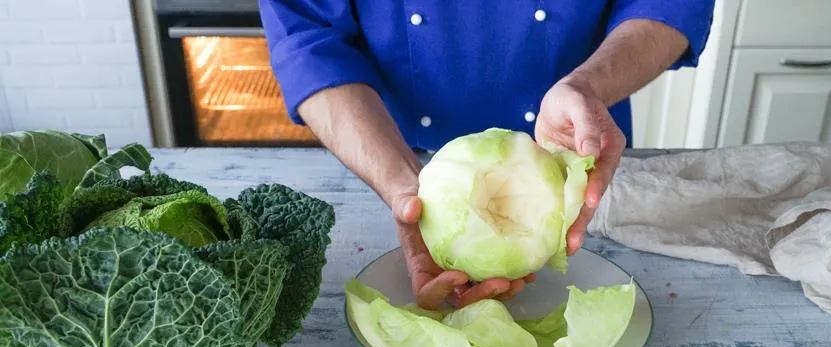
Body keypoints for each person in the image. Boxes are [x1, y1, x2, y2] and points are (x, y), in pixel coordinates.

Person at [259, 0, 715, 310]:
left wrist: (588, 87)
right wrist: (402, 186)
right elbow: (306, 34)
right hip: (385, 150)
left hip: (581, 154)